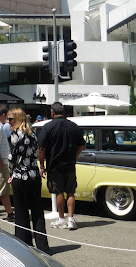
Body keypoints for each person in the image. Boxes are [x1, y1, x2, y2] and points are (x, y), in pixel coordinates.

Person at [38, 102, 85, 230]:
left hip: (54, 164)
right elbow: (81, 145)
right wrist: (74, 156)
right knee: (70, 192)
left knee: (59, 192)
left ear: (52, 112)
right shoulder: (73, 126)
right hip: (70, 164)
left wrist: (42, 166)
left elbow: (41, 148)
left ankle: (61, 219)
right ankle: (71, 219)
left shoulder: (48, 127)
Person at [7, 108, 49, 253]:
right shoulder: (33, 135)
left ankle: (24, 244)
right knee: (37, 211)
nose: (9, 121)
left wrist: (10, 172)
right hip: (34, 174)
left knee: (21, 211)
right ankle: (42, 245)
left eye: (11, 119)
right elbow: (37, 154)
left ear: (17, 119)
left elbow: (12, 157)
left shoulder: (15, 135)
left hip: (20, 175)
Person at [0, 105, 14, 221]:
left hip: (0, 161)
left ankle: (9, 212)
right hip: (0, 162)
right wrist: (0, 161)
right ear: (4, 114)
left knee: (2, 188)